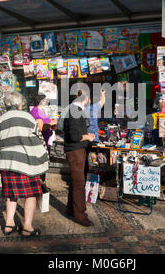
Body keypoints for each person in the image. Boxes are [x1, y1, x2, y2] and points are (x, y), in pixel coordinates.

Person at [0, 92, 49, 236]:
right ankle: (27, 227)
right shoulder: (28, 117)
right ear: (20, 104)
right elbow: (40, 139)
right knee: (31, 195)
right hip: (28, 163)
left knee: (11, 194)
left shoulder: (0, 120)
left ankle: (9, 224)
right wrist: (44, 158)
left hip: (7, 163)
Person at [63, 90, 96, 227]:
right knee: (79, 183)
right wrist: (87, 137)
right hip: (75, 150)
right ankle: (80, 215)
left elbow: (75, 132)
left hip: (77, 149)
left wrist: (86, 134)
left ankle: (71, 209)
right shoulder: (75, 110)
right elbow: (74, 136)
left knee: (75, 181)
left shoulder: (75, 109)